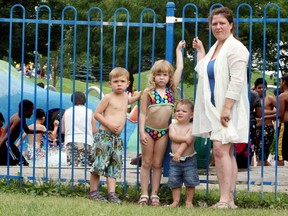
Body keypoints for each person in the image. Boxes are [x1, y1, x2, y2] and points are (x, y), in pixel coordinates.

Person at [192, 7, 249, 209]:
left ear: (231, 24)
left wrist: (226, 108)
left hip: (227, 108)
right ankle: (229, 200)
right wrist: (200, 52)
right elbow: (204, 72)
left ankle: (225, 199)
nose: (217, 27)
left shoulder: (236, 48)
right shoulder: (216, 47)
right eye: (214, 24)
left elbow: (237, 81)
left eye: (222, 23)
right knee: (226, 152)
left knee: (220, 150)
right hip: (215, 108)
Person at [138, 40, 185, 206]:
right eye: (158, 75)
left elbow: (180, 68)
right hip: (149, 131)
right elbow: (142, 113)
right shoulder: (148, 92)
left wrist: (178, 50)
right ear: (153, 76)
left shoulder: (171, 91)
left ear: (169, 77)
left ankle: (155, 194)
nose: (161, 78)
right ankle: (144, 193)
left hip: (163, 132)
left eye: (165, 75)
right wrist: (142, 132)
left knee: (157, 163)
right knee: (146, 162)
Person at [89, 67, 141, 203]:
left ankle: (111, 194)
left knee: (114, 165)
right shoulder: (108, 98)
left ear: (128, 84)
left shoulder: (125, 97)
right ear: (110, 84)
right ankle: (93, 192)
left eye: (122, 81)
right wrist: (110, 125)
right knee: (99, 164)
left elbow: (131, 101)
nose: (119, 84)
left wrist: (139, 95)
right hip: (104, 136)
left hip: (117, 139)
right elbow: (97, 114)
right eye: (116, 81)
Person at [168, 99, 199, 208]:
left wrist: (179, 153)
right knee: (175, 181)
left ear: (191, 115)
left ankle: (189, 201)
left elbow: (188, 142)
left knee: (190, 181)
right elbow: (173, 137)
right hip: (174, 160)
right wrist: (185, 138)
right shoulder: (172, 126)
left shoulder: (192, 127)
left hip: (189, 159)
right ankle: (175, 201)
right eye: (177, 110)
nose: (179, 113)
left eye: (184, 111)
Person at [0, 100, 46, 165]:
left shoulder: (21, 117)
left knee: (23, 163)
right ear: (25, 110)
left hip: (10, 144)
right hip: (6, 144)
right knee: (18, 163)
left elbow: (27, 130)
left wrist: (42, 131)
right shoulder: (18, 120)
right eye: (31, 110)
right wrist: (1, 144)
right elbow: (9, 133)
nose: (32, 113)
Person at [61, 91, 98, 167]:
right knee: (86, 166)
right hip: (86, 141)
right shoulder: (90, 112)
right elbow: (94, 130)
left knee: (72, 166)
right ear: (85, 100)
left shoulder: (66, 112)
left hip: (70, 142)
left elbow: (63, 130)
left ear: (72, 100)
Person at [236, 90, 262, 168]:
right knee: (247, 147)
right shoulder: (253, 94)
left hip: (233, 122)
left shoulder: (228, 90)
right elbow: (259, 114)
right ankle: (244, 165)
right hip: (249, 123)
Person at [254, 78, 276, 166]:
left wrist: (266, 114)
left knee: (261, 157)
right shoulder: (253, 98)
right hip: (256, 129)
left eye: (263, 87)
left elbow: (280, 110)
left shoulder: (270, 99)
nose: (261, 90)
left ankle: (259, 177)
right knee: (260, 157)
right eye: (259, 88)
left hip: (267, 128)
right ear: (255, 88)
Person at [275, 74, 288, 166]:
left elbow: (279, 114)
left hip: (285, 125)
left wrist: (265, 117)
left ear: (284, 82)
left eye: (281, 81)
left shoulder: (282, 96)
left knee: (280, 154)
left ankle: (279, 177)